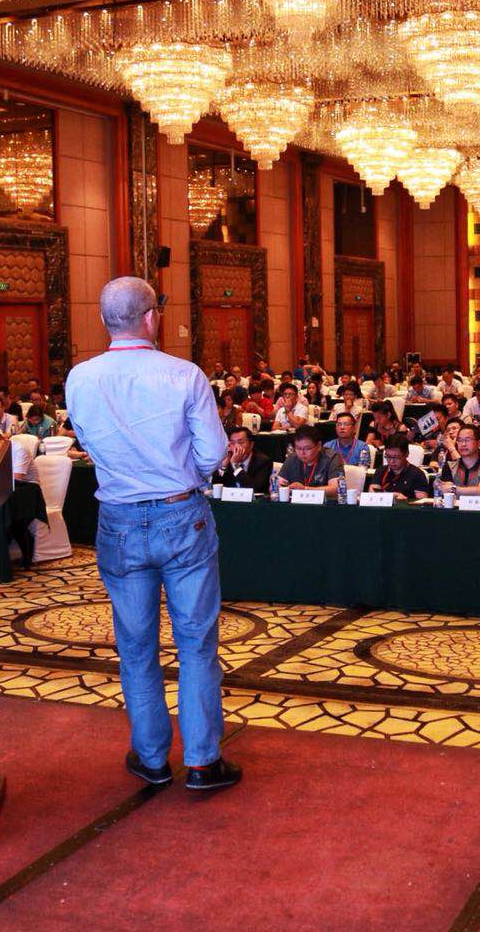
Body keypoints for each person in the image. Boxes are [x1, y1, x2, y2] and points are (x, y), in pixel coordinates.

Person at [64, 277, 237, 792]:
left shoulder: (80, 378)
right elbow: (214, 452)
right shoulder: (184, 374)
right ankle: (203, 761)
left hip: (118, 518)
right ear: (151, 317)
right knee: (196, 643)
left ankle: (151, 756)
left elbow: (87, 443)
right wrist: (182, 476)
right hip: (181, 514)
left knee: (136, 645)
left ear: (104, 321)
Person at [279, 425, 344, 495]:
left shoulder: (332, 458)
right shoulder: (292, 458)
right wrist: (281, 486)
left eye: (307, 448)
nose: (302, 453)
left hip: (324, 501)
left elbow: (336, 488)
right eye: (298, 448)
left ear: (319, 446)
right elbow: (278, 483)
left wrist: (305, 489)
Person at [440, 423, 480, 496]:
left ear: (479, 443)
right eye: (460, 440)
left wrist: (454, 489)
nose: (463, 444)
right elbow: (446, 491)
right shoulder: (449, 466)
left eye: (467, 440)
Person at [370, 434, 432, 500]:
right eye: (388, 456)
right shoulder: (381, 471)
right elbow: (371, 496)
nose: (392, 461)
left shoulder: (418, 474)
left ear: (406, 454)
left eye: (396, 457)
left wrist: (405, 499)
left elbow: (421, 502)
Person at [213, 426, 272, 494]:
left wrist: (236, 466)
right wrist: (223, 467)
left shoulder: (263, 461)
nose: (236, 447)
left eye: (241, 442)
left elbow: (255, 489)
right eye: (232, 443)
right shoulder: (227, 459)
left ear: (251, 445)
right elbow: (216, 485)